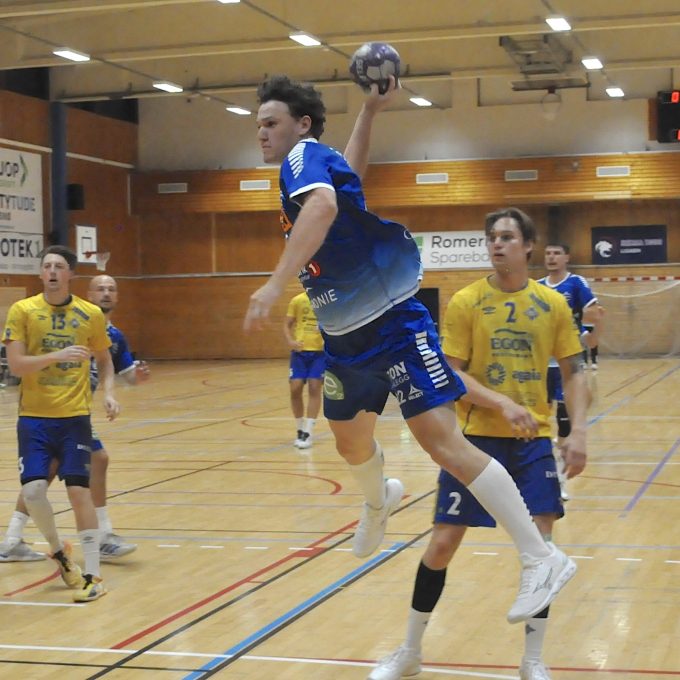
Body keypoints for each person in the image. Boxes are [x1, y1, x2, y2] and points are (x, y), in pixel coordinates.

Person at [244, 74, 576, 625]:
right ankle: (380, 500)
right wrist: (369, 112)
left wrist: (276, 282)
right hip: (345, 335)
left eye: (270, 123)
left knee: (442, 443)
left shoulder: (301, 159)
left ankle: (541, 557)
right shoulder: (316, 161)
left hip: (392, 322)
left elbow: (323, 205)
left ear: (301, 125)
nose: (261, 133)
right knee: (350, 442)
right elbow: (347, 180)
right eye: (258, 124)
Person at [368, 208, 588, 680]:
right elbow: (451, 373)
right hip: (474, 442)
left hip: (533, 441)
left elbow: (573, 372)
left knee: (542, 549)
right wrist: (501, 403)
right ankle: (409, 651)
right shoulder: (468, 301)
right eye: (492, 237)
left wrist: (578, 433)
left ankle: (533, 660)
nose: (497, 244)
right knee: (442, 543)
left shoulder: (552, 304)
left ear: (528, 246)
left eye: (506, 237)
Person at [0, 274, 149, 562]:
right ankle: (101, 537)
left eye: (111, 289)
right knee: (91, 461)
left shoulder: (114, 336)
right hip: (48, 410)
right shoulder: (69, 321)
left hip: (76, 413)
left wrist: (134, 379)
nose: (106, 293)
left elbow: (122, 372)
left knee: (63, 469)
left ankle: (13, 540)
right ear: (88, 295)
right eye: (100, 288)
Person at [1, 246, 119, 602]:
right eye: (47, 266)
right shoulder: (22, 310)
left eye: (59, 266)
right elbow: (16, 365)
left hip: (74, 418)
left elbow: (105, 360)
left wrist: (109, 393)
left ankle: (93, 576)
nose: (52, 271)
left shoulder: (89, 314)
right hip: (33, 419)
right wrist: (59, 355)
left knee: (78, 491)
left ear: (70, 274)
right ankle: (59, 552)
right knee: (34, 492)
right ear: (41, 274)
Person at [538, 243, 602, 500]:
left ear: (566, 257)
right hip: (539, 366)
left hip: (566, 365)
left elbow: (594, 314)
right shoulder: (537, 287)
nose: (551, 257)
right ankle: (537, 472)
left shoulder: (576, 283)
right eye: (548, 253)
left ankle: (560, 480)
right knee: (537, 422)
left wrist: (589, 334)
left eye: (556, 253)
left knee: (565, 423)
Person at [283, 291, 324, 448]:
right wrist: (290, 341)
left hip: (319, 353)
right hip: (299, 353)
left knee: (314, 387)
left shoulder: (326, 299)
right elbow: (286, 324)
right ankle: (299, 428)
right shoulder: (297, 300)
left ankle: (307, 432)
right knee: (295, 388)